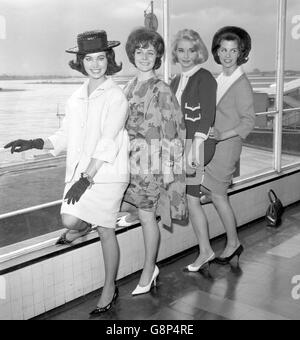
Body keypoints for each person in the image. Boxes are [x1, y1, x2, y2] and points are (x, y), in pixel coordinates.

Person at [4, 30, 129, 315]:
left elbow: (108, 142)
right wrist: (36, 142)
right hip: (83, 172)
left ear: (109, 59)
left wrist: (86, 179)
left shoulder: (116, 95)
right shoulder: (75, 97)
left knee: (107, 229)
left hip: (106, 172)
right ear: (80, 61)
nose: (95, 64)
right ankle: (83, 227)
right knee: (70, 219)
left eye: (100, 58)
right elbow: (65, 135)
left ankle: (109, 287)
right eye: (89, 58)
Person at [121, 27, 187, 295]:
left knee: (148, 217)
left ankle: (149, 269)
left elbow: (174, 130)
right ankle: (149, 267)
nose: (145, 57)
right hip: (129, 163)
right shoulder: (128, 86)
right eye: (139, 51)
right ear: (132, 54)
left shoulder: (161, 89)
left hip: (152, 163)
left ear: (158, 56)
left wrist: (170, 168)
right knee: (140, 213)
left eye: (150, 52)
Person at [202, 26, 255, 265]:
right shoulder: (221, 78)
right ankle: (232, 241)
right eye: (223, 49)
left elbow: (249, 121)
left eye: (233, 50)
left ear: (241, 53)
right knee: (210, 191)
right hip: (215, 145)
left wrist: (222, 134)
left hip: (227, 145)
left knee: (219, 194)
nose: (227, 55)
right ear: (217, 51)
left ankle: (233, 243)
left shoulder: (241, 83)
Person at [170, 29, 217, 271]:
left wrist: (192, 152)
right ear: (175, 53)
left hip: (197, 146)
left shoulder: (205, 77)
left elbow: (206, 116)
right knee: (190, 199)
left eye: (191, 50)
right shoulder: (176, 80)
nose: (186, 55)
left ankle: (206, 251)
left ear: (199, 52)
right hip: (182, 145)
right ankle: (206, 250)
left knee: (191, 199)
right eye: (181, 50)